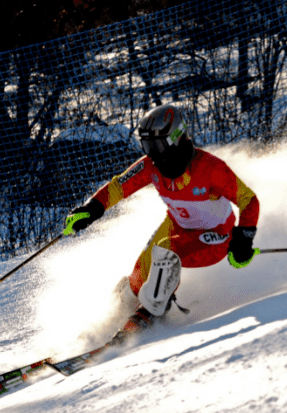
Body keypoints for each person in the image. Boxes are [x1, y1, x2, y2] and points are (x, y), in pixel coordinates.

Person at [62, 103, 260, 342]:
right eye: (146, 145)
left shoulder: (209, 169)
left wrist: (244, 236)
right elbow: (118, 187)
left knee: (167, 249)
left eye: (155, 145)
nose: (151, 152)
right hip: (177, 227)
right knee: (138, 276)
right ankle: (110, 322)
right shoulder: (151, 166)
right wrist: (90, 209)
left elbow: (248, 200)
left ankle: (151, 311)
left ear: (175, 138)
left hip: (215, 237)